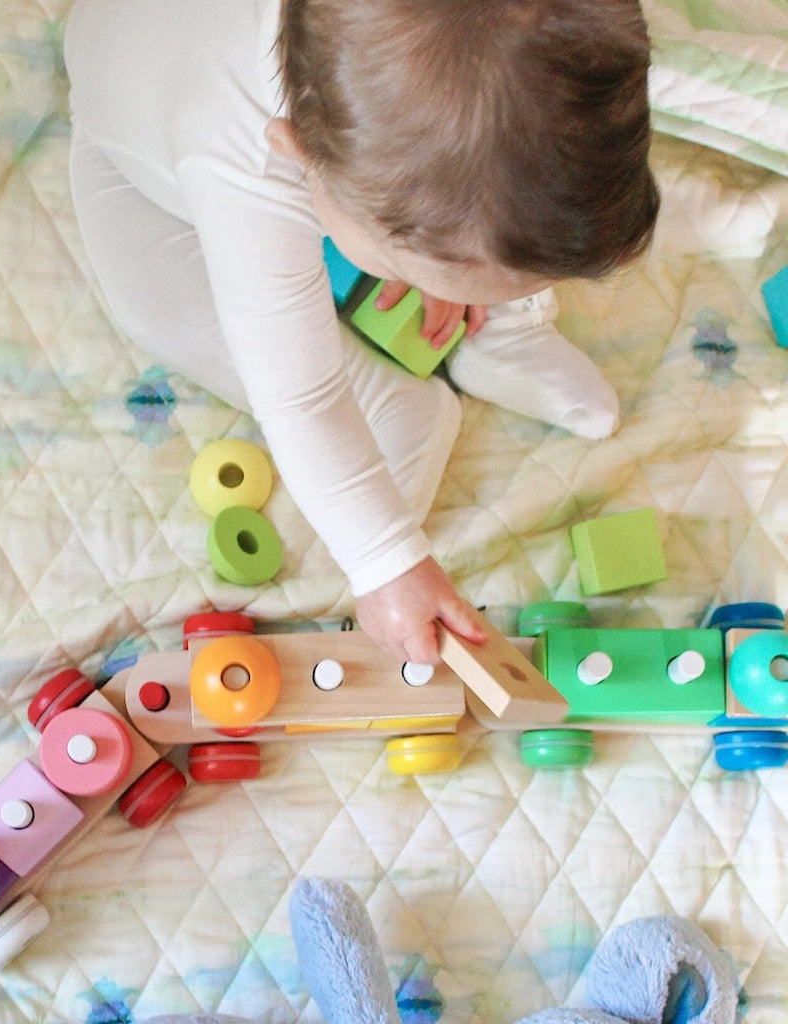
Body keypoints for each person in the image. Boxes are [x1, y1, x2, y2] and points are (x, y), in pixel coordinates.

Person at [64, 0, 659, 664]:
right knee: (158, 305)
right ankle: (395, 398)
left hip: (336, 147)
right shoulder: (246, 164)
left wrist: (444, 259)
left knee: (508, 182)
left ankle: (504, 322)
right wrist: (387, 563)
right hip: (137, 161)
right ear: (302, 157)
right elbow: (300, 400)